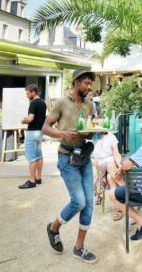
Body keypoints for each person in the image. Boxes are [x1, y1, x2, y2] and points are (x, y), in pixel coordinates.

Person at [42, 69, 97, 264]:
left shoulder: (89, 106)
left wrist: (95, 131)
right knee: (79, 201)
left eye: (90, 84)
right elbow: (45, 127)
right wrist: (63, 134)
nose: (89, 88)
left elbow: (88, 132)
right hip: (67, 157)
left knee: (89, 203)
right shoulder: (62, 103)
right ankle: (53, 228)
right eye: (86, 84)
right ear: (76, 83)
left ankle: (79, 248)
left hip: (84, 158)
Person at [18, 84, 47, 189]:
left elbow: (30, 119)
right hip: (40, 132)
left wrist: (24, 121)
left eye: (28, 93)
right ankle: (38, 178)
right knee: (39, 155)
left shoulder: (33, 103)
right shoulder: (43, 103)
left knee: (32, 158)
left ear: (33, 92)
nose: (27, 95)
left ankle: (32, 180)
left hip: (32, 133)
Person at [92, 132, 122, 219]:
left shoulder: (111, 136)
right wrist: (93, 159)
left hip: (111, 164)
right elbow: (91, 154)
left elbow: (116, 154)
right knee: (110, 165)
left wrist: (120, 166)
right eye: (97, 118)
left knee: (110, 177)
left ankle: (120, 207)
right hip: (100, 166)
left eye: (101, 118)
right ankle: (126, 188)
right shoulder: (93, 136)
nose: (99, 121)